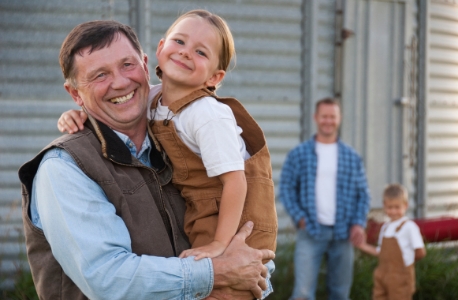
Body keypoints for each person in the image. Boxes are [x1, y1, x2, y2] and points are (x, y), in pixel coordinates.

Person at [18, 20, 275, 300]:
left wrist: (247, 270)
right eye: (100, 75)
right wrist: (216, 272)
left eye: (127, 65)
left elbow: (251, 258)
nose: (120, 82)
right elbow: (108, 279)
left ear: (144, 63)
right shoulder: (64, 168)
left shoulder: (181, 138)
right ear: (75, 93)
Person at [279, 97, 371, 300]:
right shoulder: (299, 154)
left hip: (343, 232)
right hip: (310, 230)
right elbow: (286, 188)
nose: (328, 121)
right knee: (302, 293)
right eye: (324, 116)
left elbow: (363, 195)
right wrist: (299, 217)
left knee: (340, 293)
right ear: (316, 118)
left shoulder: (351, 156)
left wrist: (358, 224)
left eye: (333, 116)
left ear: (339, 118)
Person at [357, 184, 426, 300]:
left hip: (400, 277)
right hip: (382, 275)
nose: (393, 211)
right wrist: (363, 246)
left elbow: (420, 252)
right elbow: (381, 252)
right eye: (390, 207)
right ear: (384, 206)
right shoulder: (385, 227)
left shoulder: (409, 227)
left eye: (397, 207)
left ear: (405, 206)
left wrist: (404, 264)